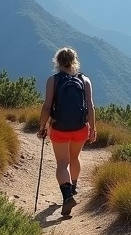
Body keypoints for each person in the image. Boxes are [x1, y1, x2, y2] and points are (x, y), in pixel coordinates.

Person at [37, 47, 97, 217]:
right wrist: (92, 128)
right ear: (74, 60)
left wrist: (42, 126)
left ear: (57, 61)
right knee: (74, 158)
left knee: (62, 164)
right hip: (80, 128)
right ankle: (73, 187)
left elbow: (47, 106)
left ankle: (67, 195)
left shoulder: (53, 80)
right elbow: (91, 107)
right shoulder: (84, 80)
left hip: (59, 128)